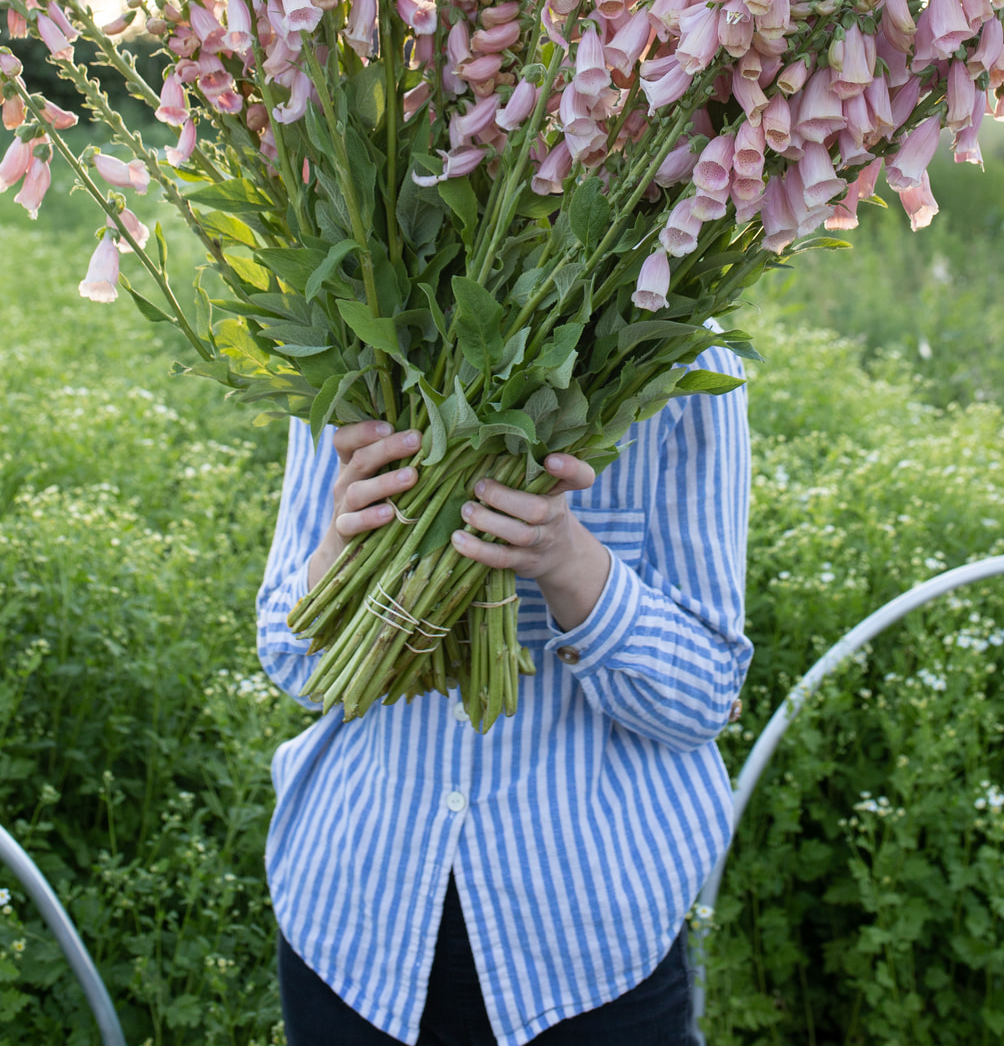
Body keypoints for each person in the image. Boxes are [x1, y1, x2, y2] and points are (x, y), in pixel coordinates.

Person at [256, 340, 752, 1046]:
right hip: (353, 920)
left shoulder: (685, 358)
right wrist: (343, 554)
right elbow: (290, 660)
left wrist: (569, 561)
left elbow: (704, 695)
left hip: (591, 954)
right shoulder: (354, 338)